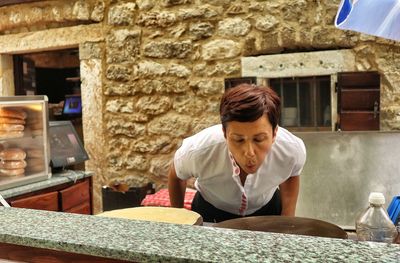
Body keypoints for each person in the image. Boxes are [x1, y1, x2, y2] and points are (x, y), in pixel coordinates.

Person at [168, 83, 306, 223]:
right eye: (238, 140)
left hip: (267, 209)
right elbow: (176, 174)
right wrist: (178, 218)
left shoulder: (291, 149)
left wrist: (288, 218)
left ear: (274, 133)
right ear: (224, 133)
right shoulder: (198, 150)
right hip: (210, 210)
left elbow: (292, 174)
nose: (249, 152)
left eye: (259, 139)